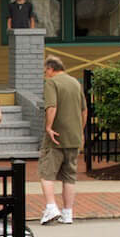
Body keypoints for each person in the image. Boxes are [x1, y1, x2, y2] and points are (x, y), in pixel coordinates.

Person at [38, 56, 87, 224]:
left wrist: (49, 127)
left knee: (46, 173)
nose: (45, 75)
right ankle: (68, 213)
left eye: (45, 71)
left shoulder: (52, 83)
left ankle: (51, 207)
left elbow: (51, 106)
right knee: (69, 176)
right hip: (74, 136)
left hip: (57, 136)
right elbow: (84, 109)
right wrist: (80, 131)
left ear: (51, 69)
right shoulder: (75, 82)